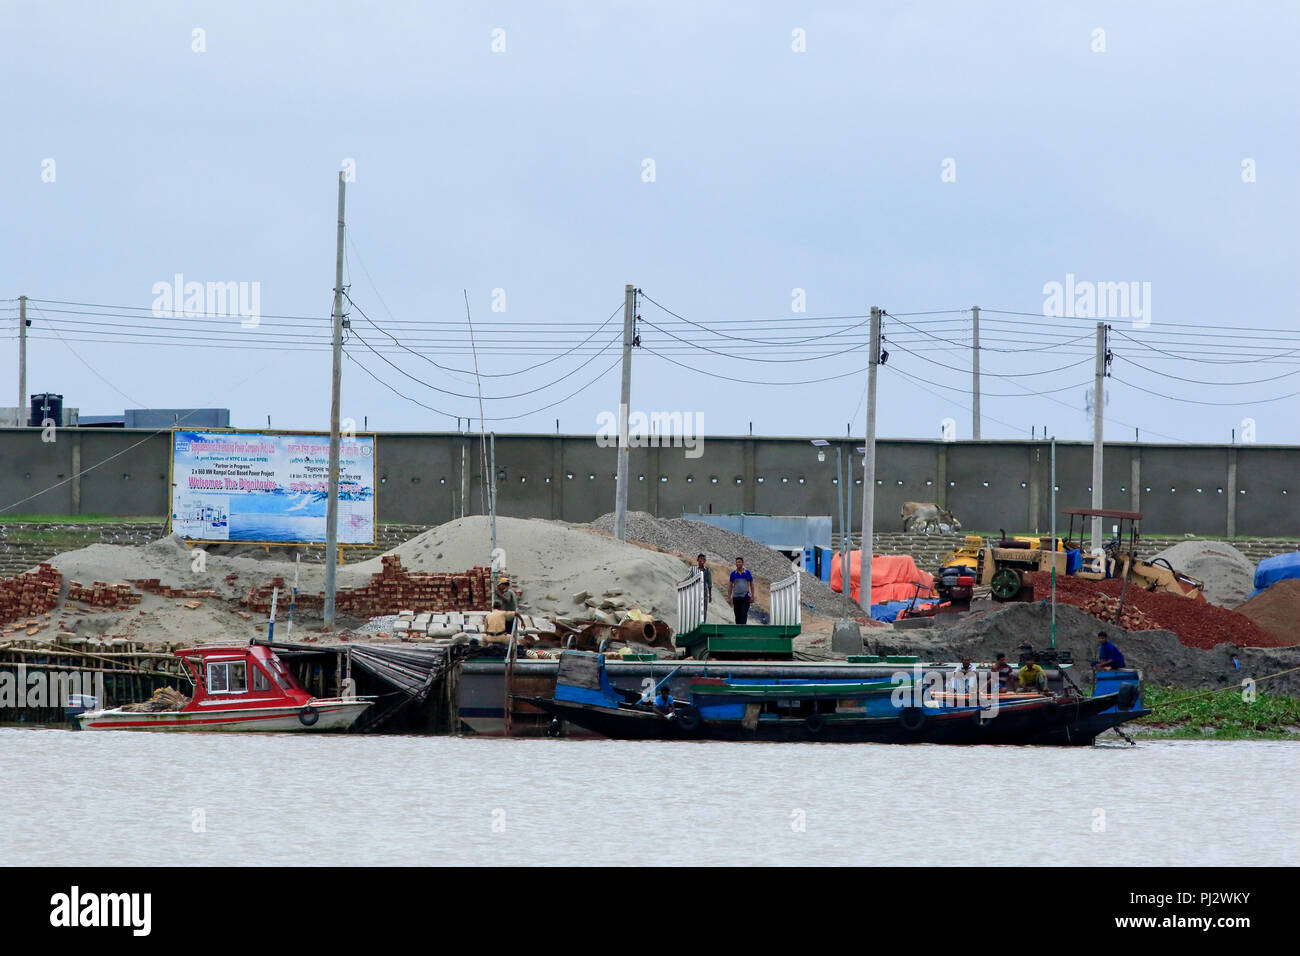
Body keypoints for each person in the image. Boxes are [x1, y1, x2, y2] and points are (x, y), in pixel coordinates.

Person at [728, 557, 754, 624]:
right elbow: (730, 586)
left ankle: (743, 629)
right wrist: (729, 597)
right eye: (737, 562)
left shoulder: (747, 573)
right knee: (737, 615)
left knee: (744, 613)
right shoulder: (733, 574)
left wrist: (752, 596)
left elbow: (751, 584)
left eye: (739, 562)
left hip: (745, 597)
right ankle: (738, 631)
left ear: (742, 563)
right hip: (736, 597)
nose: (738, 563)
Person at [696, 554, 713, 621]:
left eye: (704, 559)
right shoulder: (694, 569)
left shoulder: (707, 570)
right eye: (701, 558)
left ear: (705, 561)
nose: (702, 560)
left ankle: (703, 622)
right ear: (697, 560)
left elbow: (709, 583)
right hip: (696, 591)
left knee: (704, 608)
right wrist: (681, 582)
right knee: (696, 607)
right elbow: (688, 578)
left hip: (704, 592)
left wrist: (710, 595)